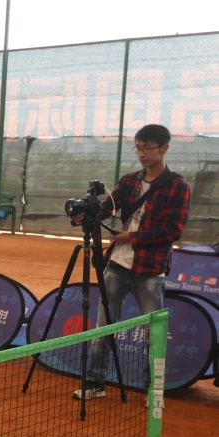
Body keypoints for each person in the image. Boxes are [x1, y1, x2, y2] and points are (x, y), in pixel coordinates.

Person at [72, 124, 190, 400]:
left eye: (148, 148)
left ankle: (153, 388)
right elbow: (106, 208)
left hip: (150, 269)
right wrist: (84, 215)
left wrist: (133, 238)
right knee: (103, 325)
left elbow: (174, 230)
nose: (142, 154)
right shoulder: (130, 181)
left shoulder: (178, 186)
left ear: (164, 149)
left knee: (153, 332)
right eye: (138, 147)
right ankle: (95, 383)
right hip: (117, 265)